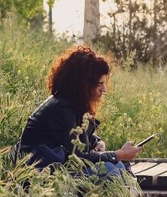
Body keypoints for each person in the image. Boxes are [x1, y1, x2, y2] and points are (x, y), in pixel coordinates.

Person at [14, 45, 142, 177]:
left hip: (60, 166)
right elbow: (77, 156)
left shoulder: (76, 104)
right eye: (99, 84)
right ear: (82, 84)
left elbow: (83, 140)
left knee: (119, 165)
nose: (104, 90)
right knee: (112, 169)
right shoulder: (60, 108)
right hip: (41, 171)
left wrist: (99, 143)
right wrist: (118, 154)